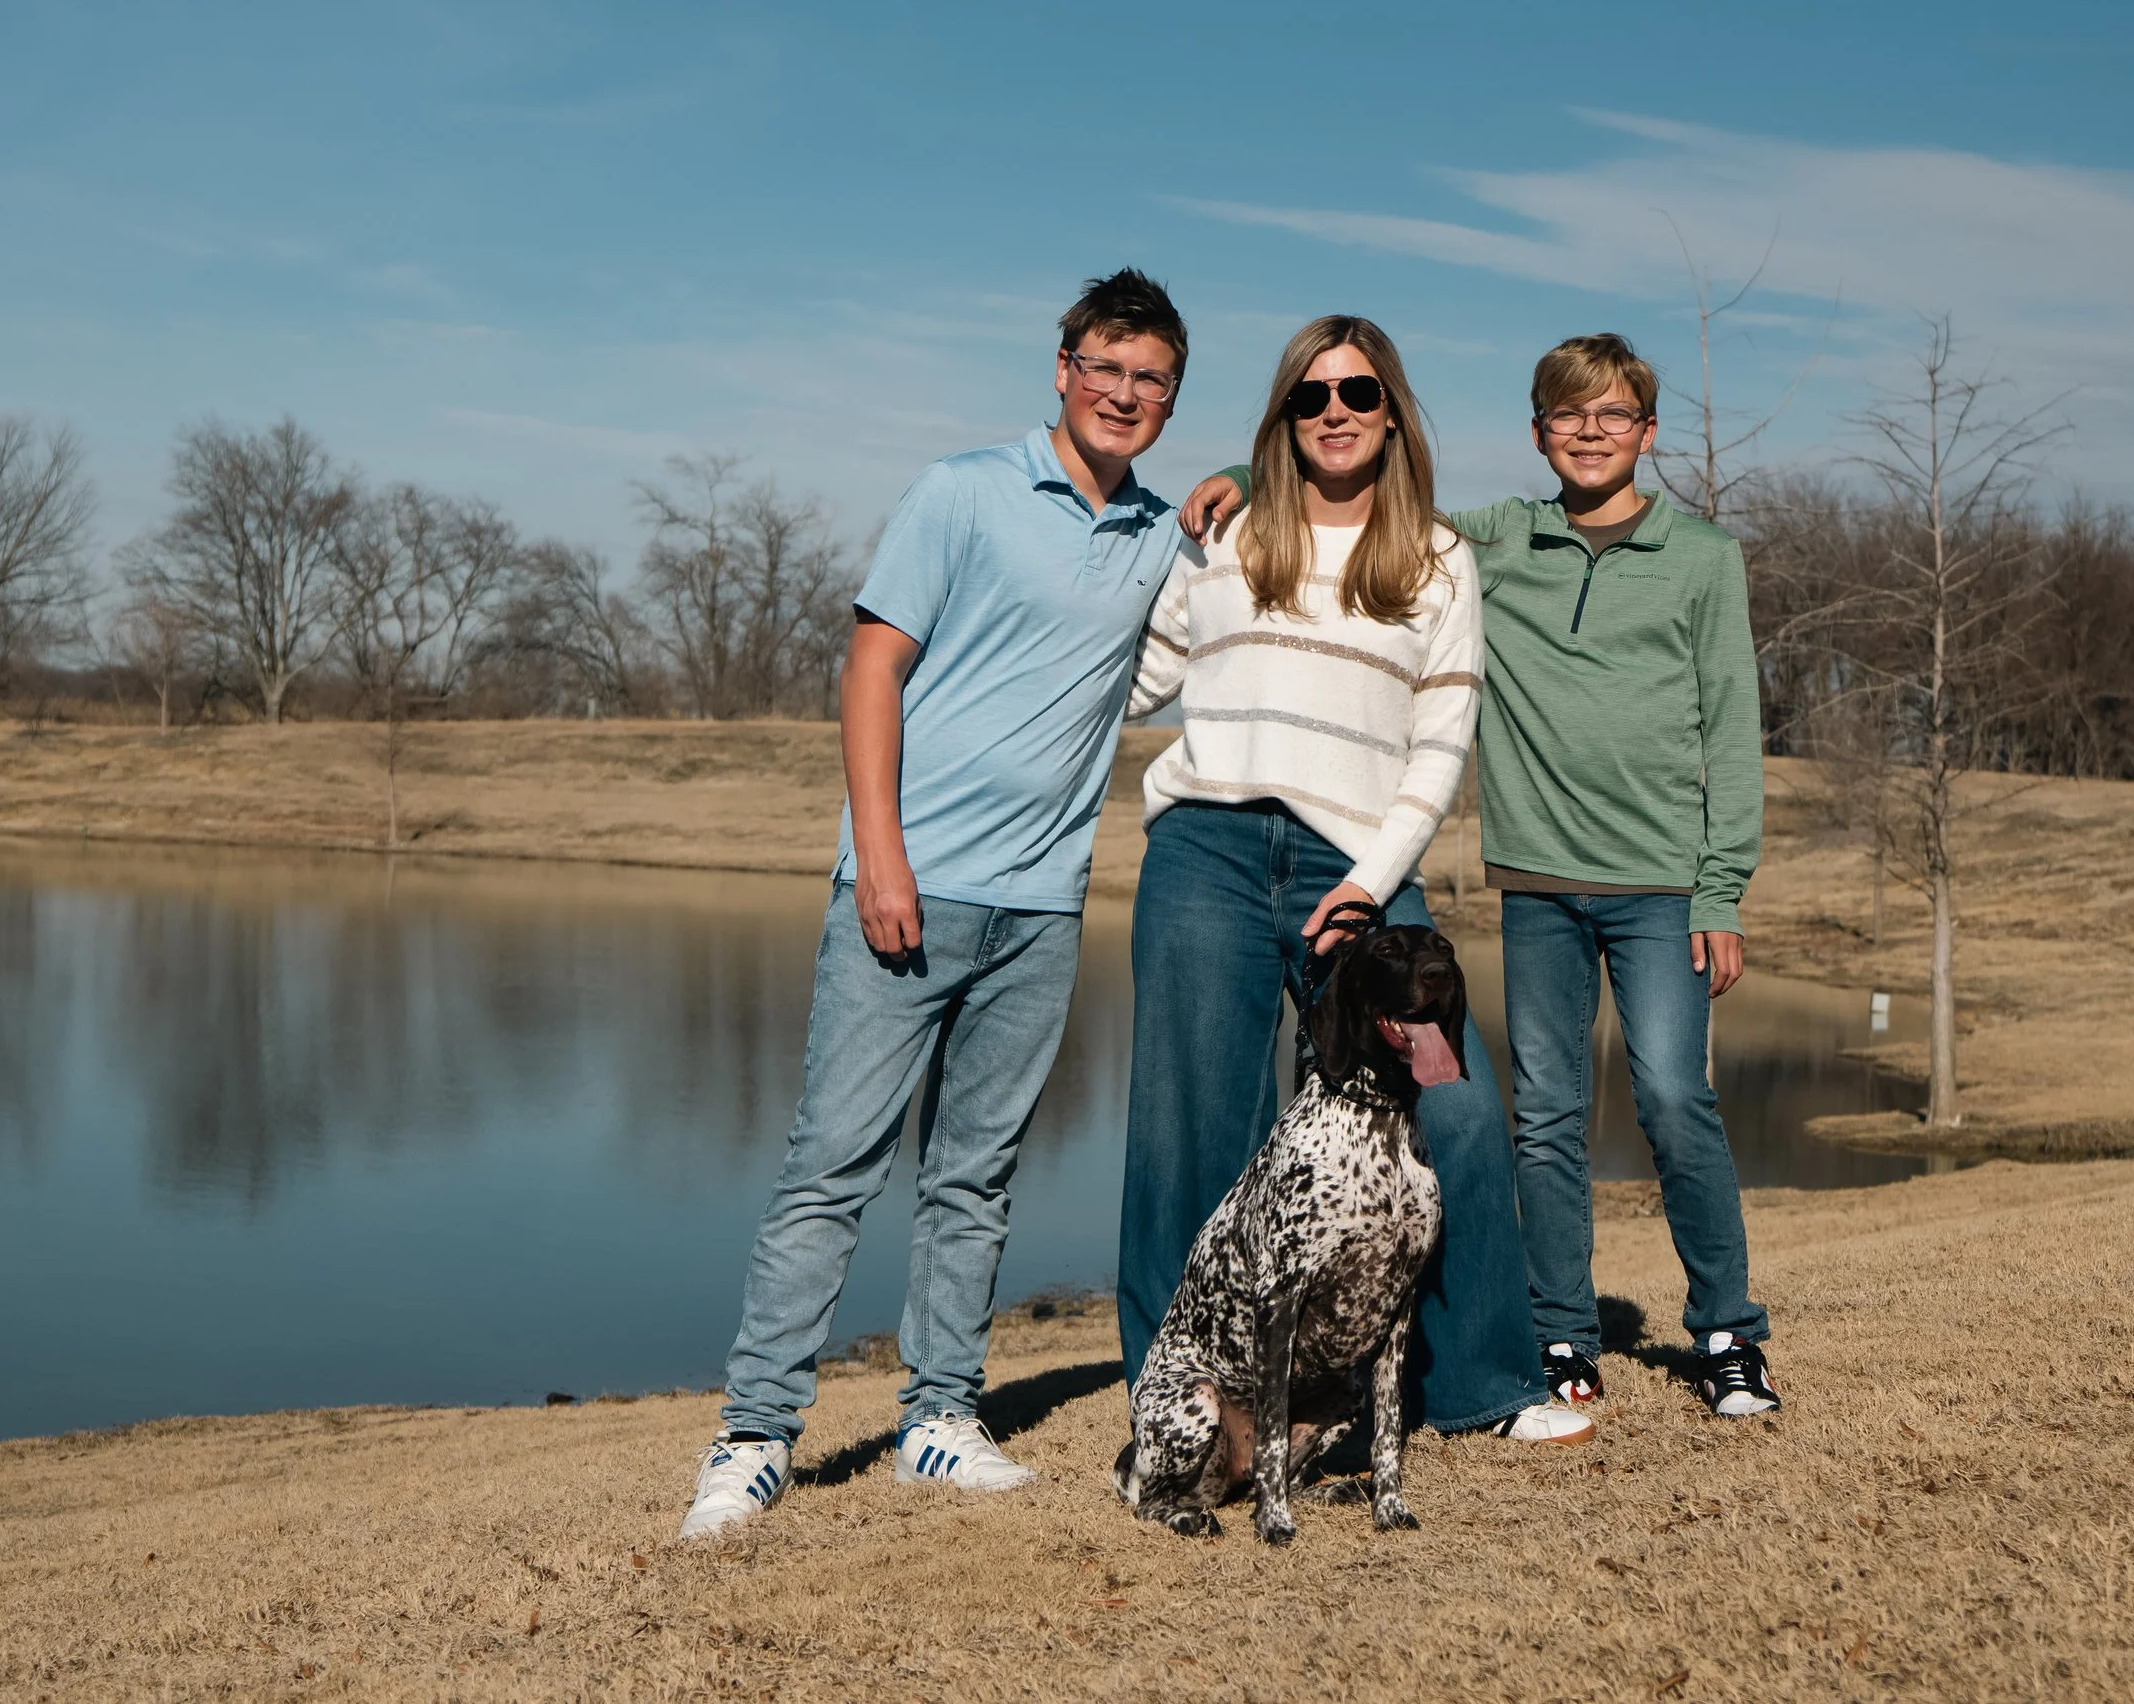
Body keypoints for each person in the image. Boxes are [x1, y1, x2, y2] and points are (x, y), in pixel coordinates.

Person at [680, 270, 1193, 1539]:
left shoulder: (1160, 537)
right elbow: (872, 669)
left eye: (1153, 382)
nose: (1125, 395)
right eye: (1107, 369)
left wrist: (1223, 507)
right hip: (907, 892)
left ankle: (938, 1420)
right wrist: (882, 855)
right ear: (1063, 368)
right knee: (831, 1170)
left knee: (976, 1176)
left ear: (1169, 402)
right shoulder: (961, 490)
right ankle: (753, 1437)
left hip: (1043, 911)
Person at [1183, 332, 1778, 1419]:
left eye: (1612, 416)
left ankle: (1729, 1331)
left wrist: (1720, 889)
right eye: (1566, 416)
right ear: (1539, 433)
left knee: (1672, 1100)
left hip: (1659, 889)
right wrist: (1238, 470)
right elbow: (1359, 473)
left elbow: (1733, 736)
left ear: (1646, 433)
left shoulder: (1702, 559)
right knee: (1544, 1117)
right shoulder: (1494, 540)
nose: (1588, 434)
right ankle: (1558, 1336)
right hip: (1537, 883)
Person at [1120, 314, 1594, 1446]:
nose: (1335, 412)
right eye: (1311, 396)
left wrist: (1374, 881)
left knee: (1455, 1113)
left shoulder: (1435, 559)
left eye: (1359, 394)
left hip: (1357, 868)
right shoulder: (1223, 537)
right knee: (1191, 1128)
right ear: (1284, 415)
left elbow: (1441, 743)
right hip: (1208, 853)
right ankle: (1181, 1399)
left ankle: (1484, 1385)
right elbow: (1134, 681)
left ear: (1392, 414)